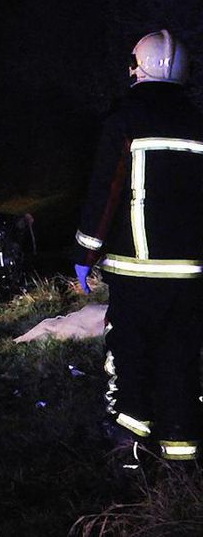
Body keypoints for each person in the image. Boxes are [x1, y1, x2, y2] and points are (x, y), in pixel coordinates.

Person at [74, 29, 203, 466]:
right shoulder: (198, 122)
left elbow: (104, 192)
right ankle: (182, 458)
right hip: (190, 277)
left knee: (131, 358)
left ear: (138, 67)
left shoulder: (124, 121)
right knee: (180, 361)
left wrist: (85, 256)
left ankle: (128, 457)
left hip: (136, 275)